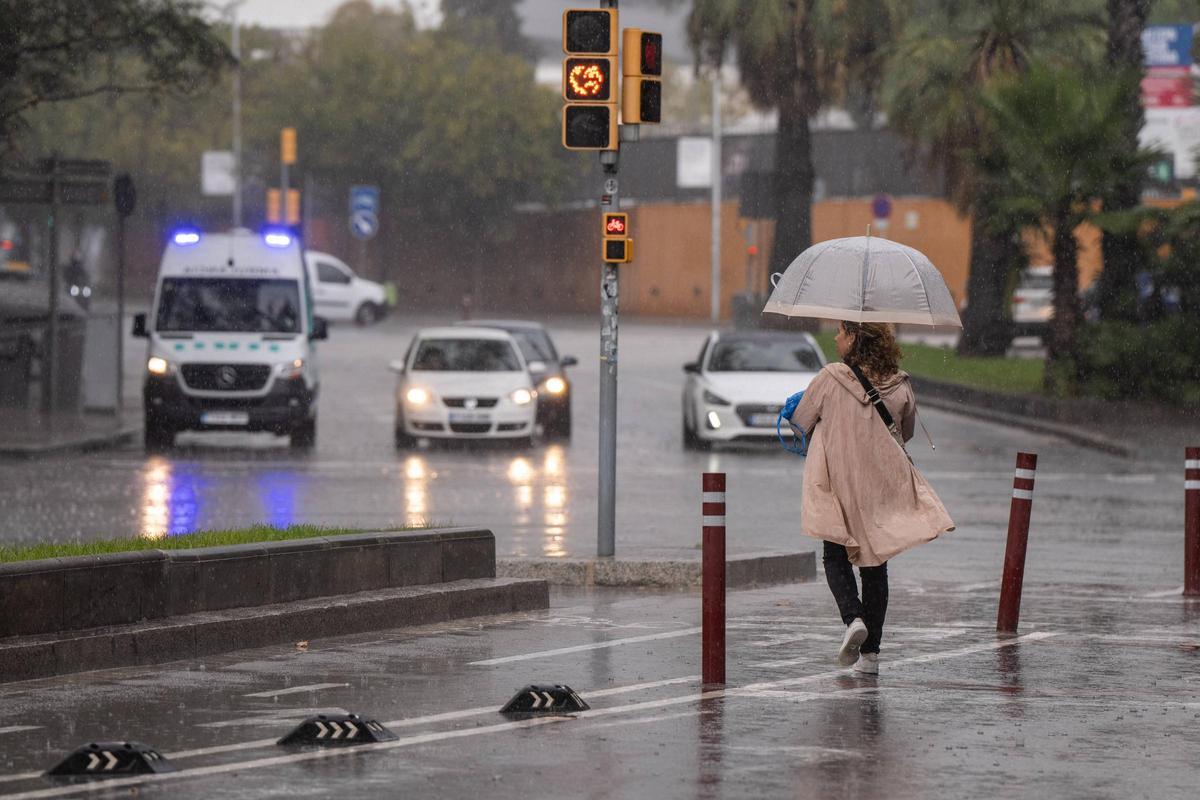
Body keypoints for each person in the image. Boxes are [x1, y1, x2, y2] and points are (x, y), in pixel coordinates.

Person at [790, 321, 955, 675]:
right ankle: (872, 655)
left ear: (854, 339)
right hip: (880, 486)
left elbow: (801, 421)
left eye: (841, 332)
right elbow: (904, 433)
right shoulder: (900, 383)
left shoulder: (831, 378)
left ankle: (853, 618)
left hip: (839, 482)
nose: (835, 337)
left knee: (835, 555)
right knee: (875, 564)